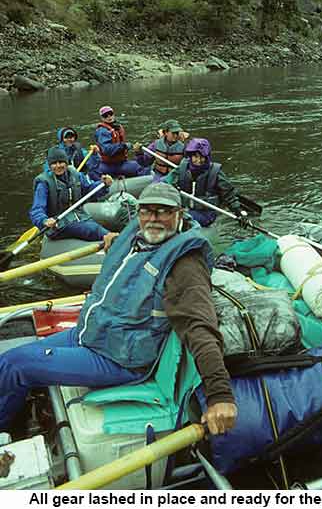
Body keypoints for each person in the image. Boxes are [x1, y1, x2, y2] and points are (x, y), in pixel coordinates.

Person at [0, 183, 237, 436]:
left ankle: (4, 430)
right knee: (6, 360)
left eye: (163, 212)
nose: (153, 219)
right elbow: (131, 233)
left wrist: (220, 394)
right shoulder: (136, 233)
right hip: (88, 334)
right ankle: (17, 415)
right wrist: (113, 238)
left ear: (179, 214)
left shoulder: (185, 265)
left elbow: (199, 326)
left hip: (118, 358)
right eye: (147, 211)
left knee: (16, 366)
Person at [30, 146, 113, 242]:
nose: (58, 166)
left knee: (93, 227)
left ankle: (109, 239)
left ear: (66, 162)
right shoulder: (43, 183)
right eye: (54, 163)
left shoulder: (75, 175)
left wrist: (103, 185)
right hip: (57, 225)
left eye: (61, 162)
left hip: (78, 216)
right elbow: (36, 210)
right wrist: (44, 220)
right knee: (91, 229)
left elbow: (88, 190)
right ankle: (114, 239)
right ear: (49, 165)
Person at [164, 138, 248, 228]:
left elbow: (229, 195)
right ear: (190, 156)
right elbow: (165, 183)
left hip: (206, 214)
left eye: (202, 157)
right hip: (185, 209)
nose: (199, 161)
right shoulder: (182, 169)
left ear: (207, 157)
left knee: (183, 219)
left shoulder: (216, 173)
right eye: (196, 157)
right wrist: (172, 188)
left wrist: (239, 212)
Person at [95, 106, 150, 178]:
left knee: (141, 164)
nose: (109, 117)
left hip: (120, 162)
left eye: (110, 114)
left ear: (113, 114)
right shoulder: (102, 131)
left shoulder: (117, 127)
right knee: (143, 168)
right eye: (105, 115)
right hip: (109, 165)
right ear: (102, 118)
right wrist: (124, 146)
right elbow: (107, 150)